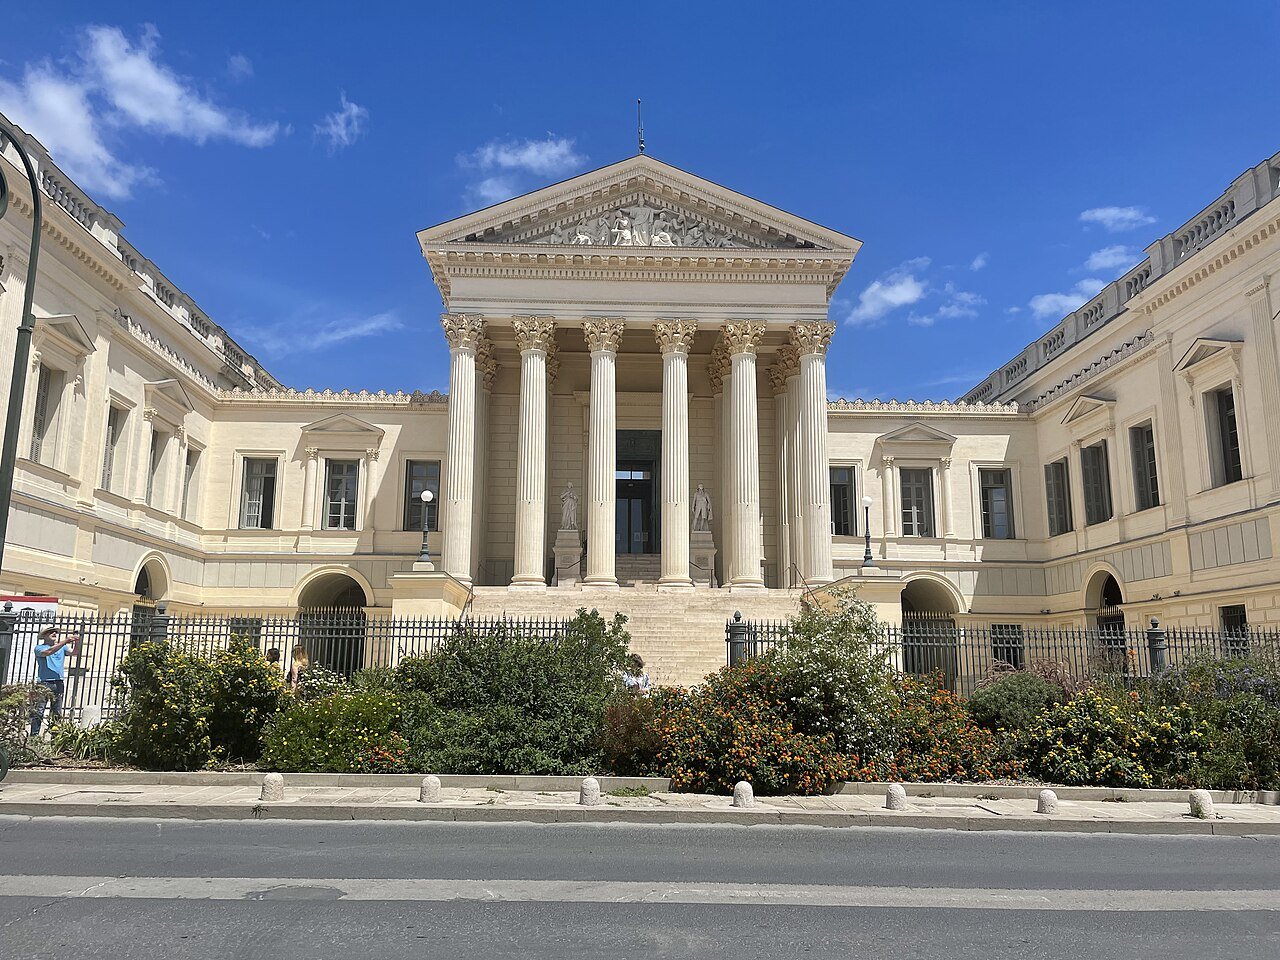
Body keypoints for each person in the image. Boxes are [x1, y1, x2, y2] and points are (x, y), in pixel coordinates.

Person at [30, 626, 78, 736]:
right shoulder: (39, 648)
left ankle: (55, 737)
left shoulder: (62, 647)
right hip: (44, 683)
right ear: (44, 635)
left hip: (58, 682)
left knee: (56, 711)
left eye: (55, 632)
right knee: (39, 711)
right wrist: (65, 641)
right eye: (50, 632)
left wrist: (76, 642)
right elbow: (49, 651)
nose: (54, 633)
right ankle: (34, 736)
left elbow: (74, 653)